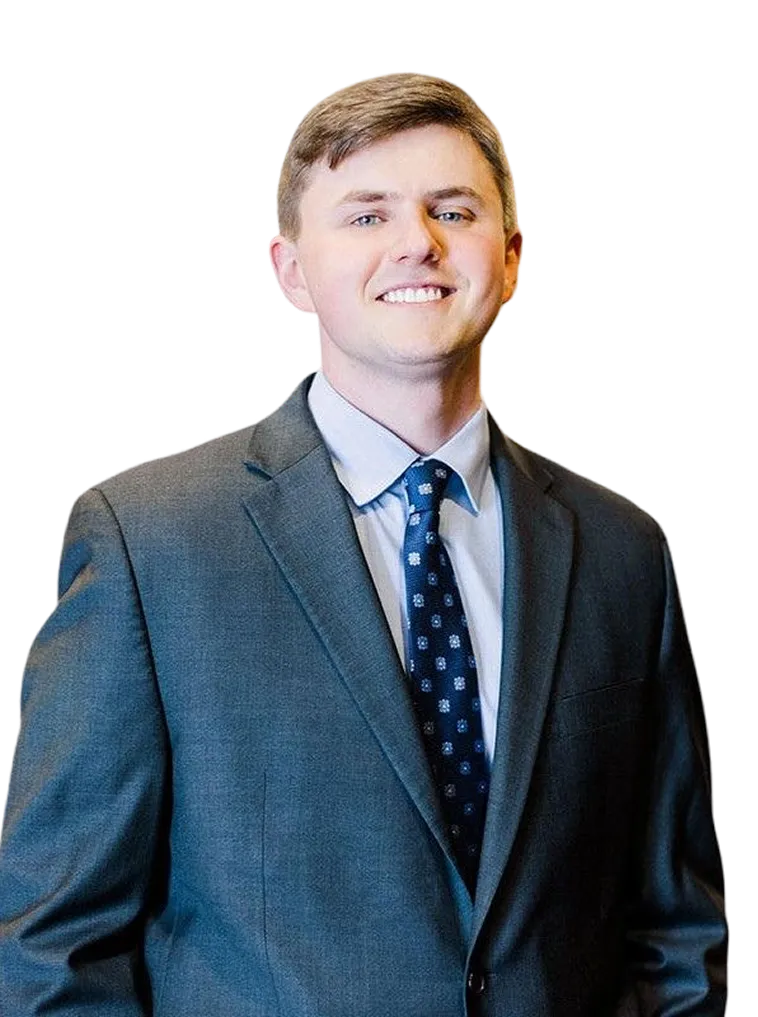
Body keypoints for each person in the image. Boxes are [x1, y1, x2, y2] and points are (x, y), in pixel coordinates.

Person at [0, 71, 726, 1016]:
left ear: (511, 259)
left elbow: (676, 932)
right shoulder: (149, 541)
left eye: (452, 210)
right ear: (288, 268)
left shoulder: (624, 552)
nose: (415, 243)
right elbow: (58, 947)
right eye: (366, 214)